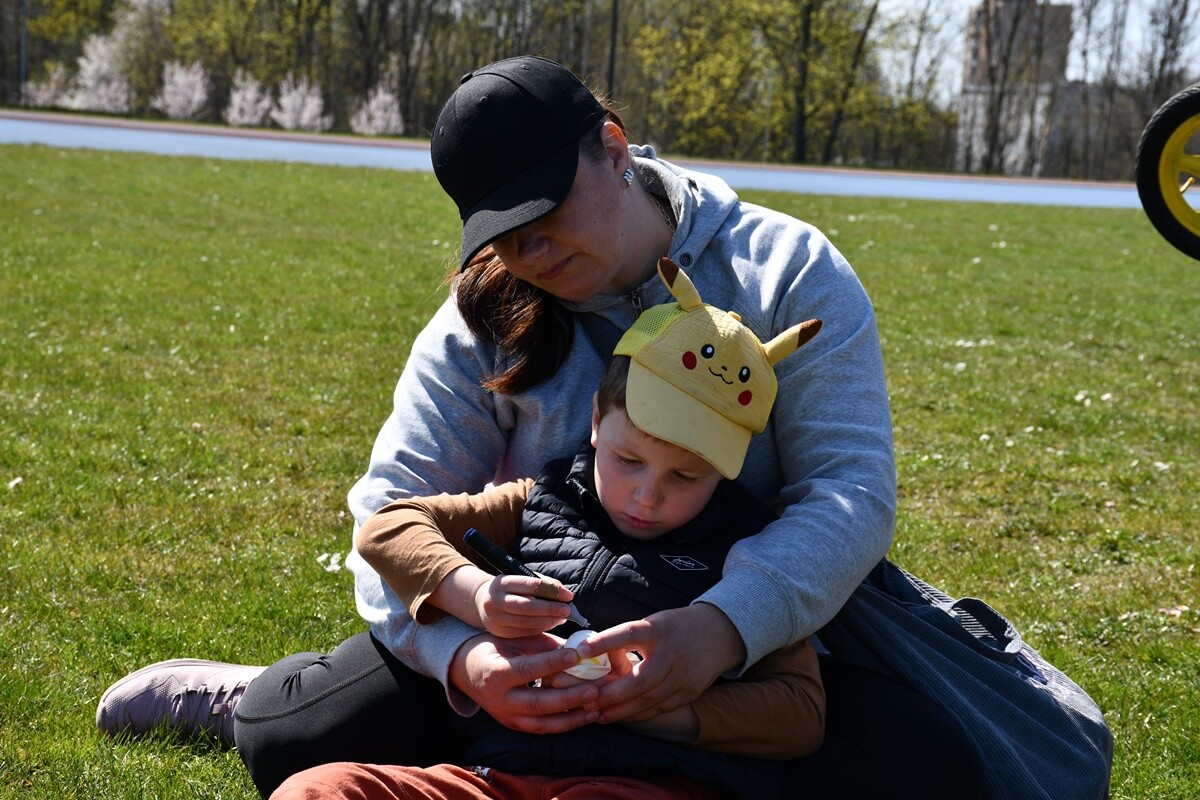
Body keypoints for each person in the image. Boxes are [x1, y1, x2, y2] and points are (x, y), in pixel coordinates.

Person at [97, 55, 984, 798]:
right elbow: (393, 510)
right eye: (505, 232)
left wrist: (722, 630)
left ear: (611, 148)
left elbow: (850, 493)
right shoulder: (482, 318)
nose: (533, 255)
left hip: (749, 640)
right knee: (292, 737)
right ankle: (251, 694)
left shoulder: (788, 269)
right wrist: (470, 660)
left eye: (548, 213)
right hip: (524, 646)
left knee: (934, 768)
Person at [270, 261, 825, 798]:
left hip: (649, 782)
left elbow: (801, 713)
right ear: (594, 423)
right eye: (628, 460)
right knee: (319, 789)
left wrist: (668, 710)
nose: (647, 495)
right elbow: (388, 527)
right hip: (495, 775)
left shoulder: (750, 551)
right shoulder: (543, 500)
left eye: (686, 476)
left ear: (730, 468)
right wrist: (476, 595)